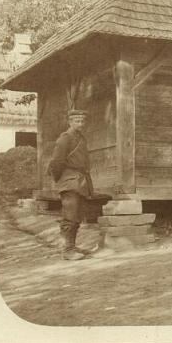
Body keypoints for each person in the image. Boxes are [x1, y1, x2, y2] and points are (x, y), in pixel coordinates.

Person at [48, 109, 96, 260]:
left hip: (80, 181)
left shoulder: (81, 138)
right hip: (70, 181)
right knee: (70, 215)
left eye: (82, 121)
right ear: (70, 122)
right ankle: (68, 250)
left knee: (77, 215)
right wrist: (61, 179)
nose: (80, 124)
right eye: (77, 121)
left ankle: (73, 247)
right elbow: (56, 161)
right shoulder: (65, 138)